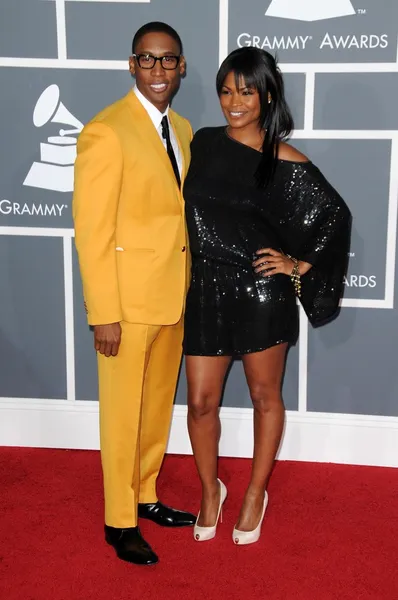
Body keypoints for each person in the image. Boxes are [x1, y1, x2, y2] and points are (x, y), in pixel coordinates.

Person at [183, 47, 351, 545]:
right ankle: (210, 491)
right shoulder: (205, 143)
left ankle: (256, 492)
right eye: (226, 90)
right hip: (208, 290)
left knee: (264, 396)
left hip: (261, 293)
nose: (233, 101)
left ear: (268, 95)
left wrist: (297, 264)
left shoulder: (285, 159)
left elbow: (334, 217)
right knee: (198, 403)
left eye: (246, 91)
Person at [73, 21, 196, 566]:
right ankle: (119, 519)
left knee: (154, 410)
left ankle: (146, 494)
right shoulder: (106, 131)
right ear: (131, 65)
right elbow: (93, 232)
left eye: (168, 60)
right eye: (148, 60)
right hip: (125, 306)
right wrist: (104, 313)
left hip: (173, 297)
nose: (159, 70)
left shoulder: (186, 129)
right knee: (122, 414)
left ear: (182, 67)